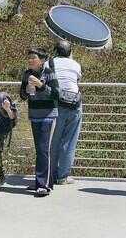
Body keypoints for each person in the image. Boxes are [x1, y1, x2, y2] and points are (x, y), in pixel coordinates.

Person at [19, 47, 60, 197]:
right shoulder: (26, 74)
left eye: (33, 58)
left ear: (42, 60)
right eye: (29, 58)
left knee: (44, 150)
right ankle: (40, 183)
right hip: (34, 115)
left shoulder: (49, 73)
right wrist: (27, 89)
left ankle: (44, 185)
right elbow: (22, 95)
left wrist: (41, 86)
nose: (30, 60)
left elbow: (57, 94)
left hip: (48, 116)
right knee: (39, 150)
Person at [49, 40, 82, 185]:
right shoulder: (75, 64)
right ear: (70, 53)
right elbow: (78, 78)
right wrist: (71, 58)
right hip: (74, 105)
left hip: (56, 105)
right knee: (69, 142)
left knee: (53, 141)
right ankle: (63, 177)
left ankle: (50, 175)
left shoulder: (49, 63)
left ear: (55, 51)